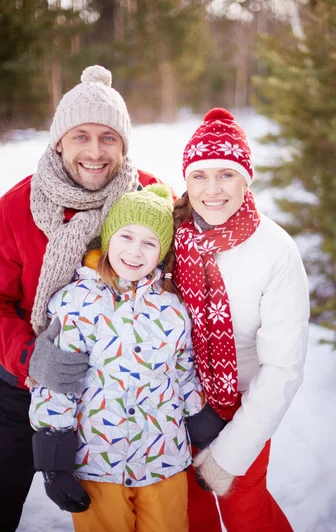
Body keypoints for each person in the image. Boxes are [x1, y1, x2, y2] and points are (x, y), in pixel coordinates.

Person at [0, 65, 165, 532]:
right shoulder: (16, 208)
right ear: (59, 142)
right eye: (81, 136)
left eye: (109, 138)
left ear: (124, 144)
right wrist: (31, 358)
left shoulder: (149, 198)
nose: (95, 152)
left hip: (116, 396)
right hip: (18, 387)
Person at [29, 185, 204, 532]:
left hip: (163, 459)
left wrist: (206, 432)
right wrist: (54, 462)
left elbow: (184, 373)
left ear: (163, 252)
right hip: (97, 462)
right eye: (126, 236)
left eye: (150, 243)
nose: (135, 252)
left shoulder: (173, 308)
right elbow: (57, 385)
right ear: (109, 238)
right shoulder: (77, 303)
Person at [173, 107, 310, 532]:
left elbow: (283, 368)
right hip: (173, 407)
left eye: (226, 174)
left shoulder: (275, 251)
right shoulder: (170, 236)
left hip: (241, 411)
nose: (212, 189)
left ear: (246, 179)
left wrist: (229, 453)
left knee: (246, 516)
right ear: (186, 181)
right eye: (199, 175)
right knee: (189, 514)